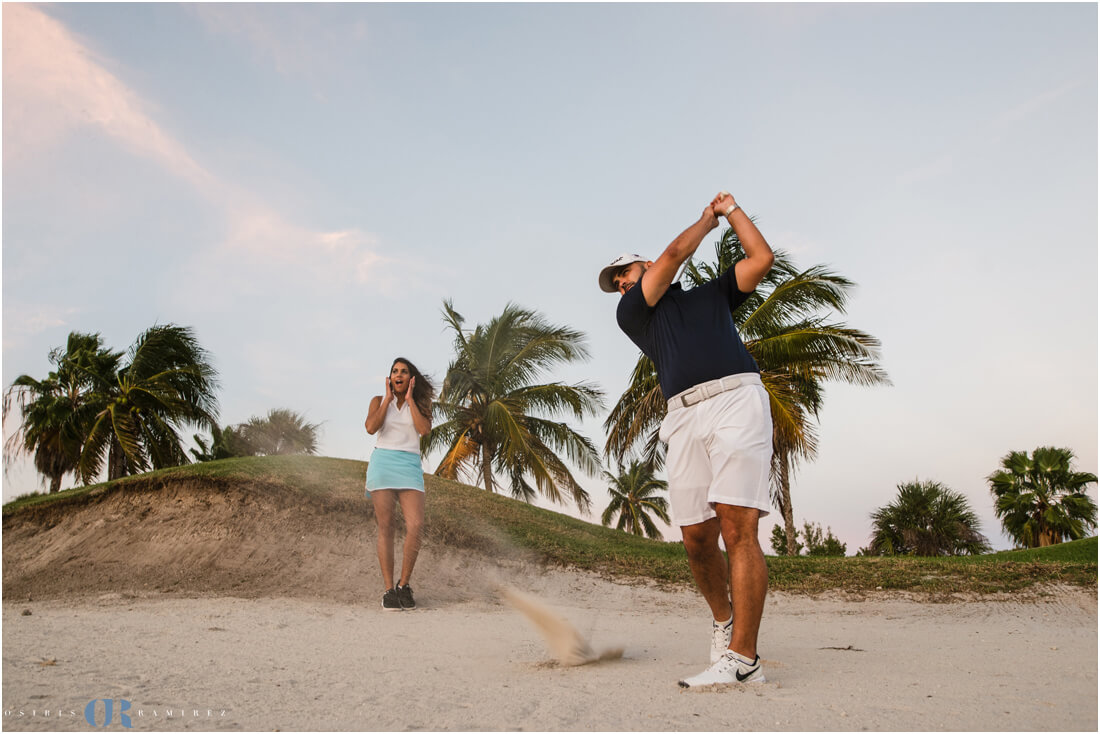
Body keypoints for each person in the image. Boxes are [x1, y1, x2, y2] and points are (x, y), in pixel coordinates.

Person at [597, 191, 775, 687]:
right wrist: (706, 221)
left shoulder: (711, 295)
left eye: (626, 272)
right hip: (682, 417)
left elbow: (761, 259)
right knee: (697, 538)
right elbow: (676, 255)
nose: (621, 284)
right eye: (617, 283)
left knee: (737, 526)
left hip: (737, 399)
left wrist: (732, 211)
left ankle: (744, 660)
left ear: (645, 265)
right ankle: (724, 622)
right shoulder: (634, 314)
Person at [364, 357, 434, 611]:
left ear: (411, 378)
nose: (398, 374)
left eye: (404, 371)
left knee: (415, 525)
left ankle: (404, 585)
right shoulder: (379, 401)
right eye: (395, 371)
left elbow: (423, 429)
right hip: (383, 463)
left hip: (409, 466)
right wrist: (386, 398)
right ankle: (388, 591)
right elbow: (371, 427)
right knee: (387, 527)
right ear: (390, 378)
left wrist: (411, 398)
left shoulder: (421, 403)